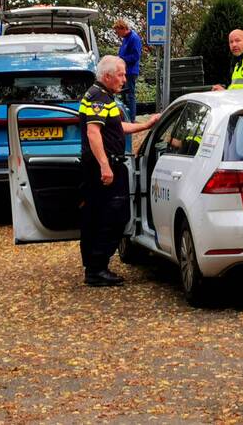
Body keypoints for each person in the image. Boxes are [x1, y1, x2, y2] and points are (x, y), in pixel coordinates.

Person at [79, 55, 159, 287]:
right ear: (107, 76)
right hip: (103, 167)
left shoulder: (102, 95)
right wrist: (105, 165)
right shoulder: (98, 98)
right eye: (121, 74)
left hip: (106, 164)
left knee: (105, 215)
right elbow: (93, 132)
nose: (125, 79)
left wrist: (145, 125)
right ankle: (96, 269)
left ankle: (96, 267)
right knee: (112, 216)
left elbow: (114, 126)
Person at [113, 19, 142, 120]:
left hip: (130, 71)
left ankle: (132, 119)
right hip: (123, 71)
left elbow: (135, 56)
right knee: (123, 95)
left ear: (123, 28)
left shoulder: (134, 38)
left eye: (118, 31)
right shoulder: (125, 38)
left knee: (130, 95)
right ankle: (126, 117)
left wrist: (122, 59)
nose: (117, 34)